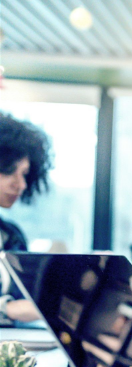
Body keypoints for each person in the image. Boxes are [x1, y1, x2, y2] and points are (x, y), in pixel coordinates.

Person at [0, 112, 51, 322]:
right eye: (10, 171)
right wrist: (7, 309)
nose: (20, 184)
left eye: (24, 174)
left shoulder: (12, 236)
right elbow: (15, 308)